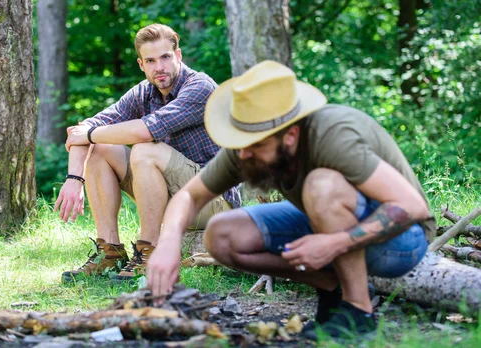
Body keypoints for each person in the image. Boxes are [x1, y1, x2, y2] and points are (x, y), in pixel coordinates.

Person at [147, 60, 436, 340]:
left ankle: (358, 311)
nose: (243, 154)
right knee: (222, 235)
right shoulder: (249, 144)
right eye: (240, 144)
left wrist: (336, 242)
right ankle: (333, 288)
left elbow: (412, 206)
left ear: (291, 135)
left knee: (321, 186)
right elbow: (190, 194)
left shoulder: (333, 134)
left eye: (257, 145)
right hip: (332, 222)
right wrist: (169, 242)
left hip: (401, 242)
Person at [55, 23, 241, 283]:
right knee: (100, 148)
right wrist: (74, 178)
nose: (159, 67)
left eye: (165, 57)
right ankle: (109, 253)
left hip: (213, 200)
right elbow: (83, 129)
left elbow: (145, 131)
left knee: (143, 149)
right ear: (141, 65)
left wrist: (87, 135)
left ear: (178, 56)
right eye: (151, 61)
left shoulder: (201, 88)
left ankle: (149, 251)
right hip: (173, 194)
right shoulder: (143, 92)